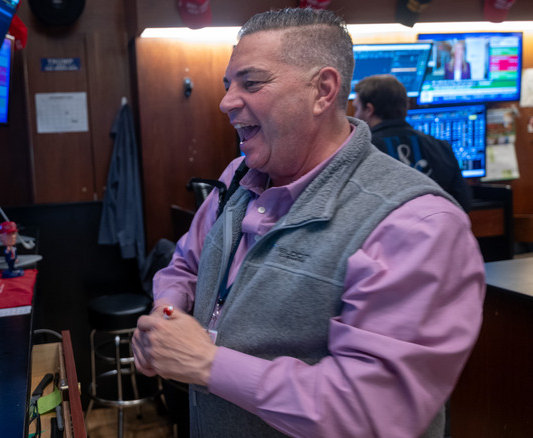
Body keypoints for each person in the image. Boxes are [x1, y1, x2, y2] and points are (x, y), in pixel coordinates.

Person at [131, 7, 485, 438]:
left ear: (323, 90)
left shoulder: (417, 223)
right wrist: (166, 318)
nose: (226, 101)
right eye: (228, 85)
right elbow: (185, 265)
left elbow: (371, 413)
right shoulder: (237, 178)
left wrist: (206, 364)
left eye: (251, 82)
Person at [352, 74, 472, 212]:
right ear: (406, 105)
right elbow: (463, 203)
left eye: (356, 108)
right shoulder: (441, 147)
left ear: (369, 109)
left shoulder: (363, 151)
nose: (355, 115)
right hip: (439, 229)